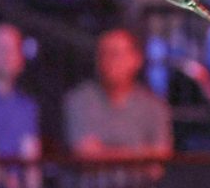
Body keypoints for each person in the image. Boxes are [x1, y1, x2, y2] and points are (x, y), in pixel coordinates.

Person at [63, 29, 172, 160]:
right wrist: (141, 154)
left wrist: (104, 153)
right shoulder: (79, 100)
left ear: (136, 59)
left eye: (115, 54)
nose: (108, 61)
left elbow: (160, 157)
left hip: (139, 176)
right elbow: (85, 154)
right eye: (103, 54)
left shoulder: (154, 106)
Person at [0, 23, 41, 188]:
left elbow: (31, 159)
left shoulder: (27, 107)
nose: (6, 55)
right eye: (0, 48)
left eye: (12, 49)